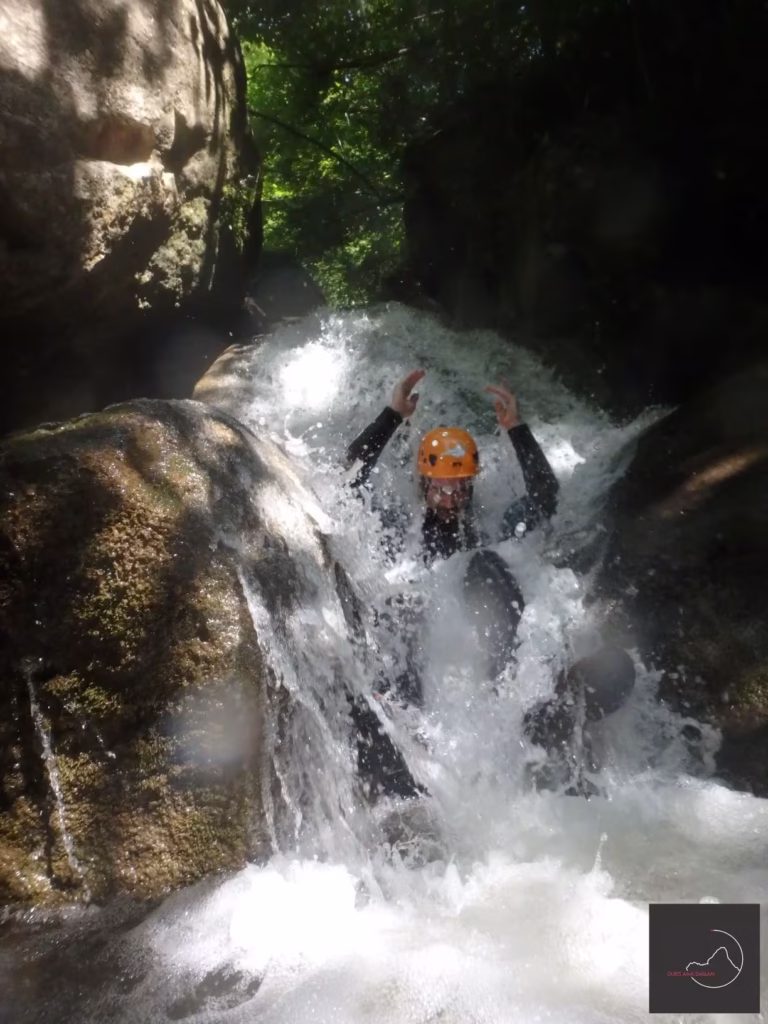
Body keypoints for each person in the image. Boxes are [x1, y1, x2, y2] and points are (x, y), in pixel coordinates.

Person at [342, 369, 634, 800]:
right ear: (424, 483)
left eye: (460, 487)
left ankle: (534, 716)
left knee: (486, 566)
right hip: (424, 681)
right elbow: (350, 479)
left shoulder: (494, 527)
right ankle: (411, 741)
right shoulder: (398, 534)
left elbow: (544, 497)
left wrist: (516, 429)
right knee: (404, 605)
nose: (451, 498)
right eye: (441, 487)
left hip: (492, 675)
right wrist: (391, 415)